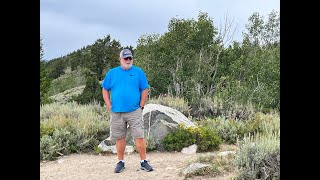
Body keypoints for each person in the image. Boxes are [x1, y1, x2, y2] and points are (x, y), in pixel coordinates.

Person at [101, 49, 153, 173]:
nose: (128, 60)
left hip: (134, 111)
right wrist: (109, 105)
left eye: (130, 58)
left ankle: (143, 162)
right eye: (126, 58)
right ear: (120, 59)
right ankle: (120, 162)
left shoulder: (138, 72)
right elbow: (104, 89)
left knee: (139, 136)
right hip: (117, 112)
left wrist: (141, 106)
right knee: (120, 137)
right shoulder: (112, 73)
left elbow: (145, 89)